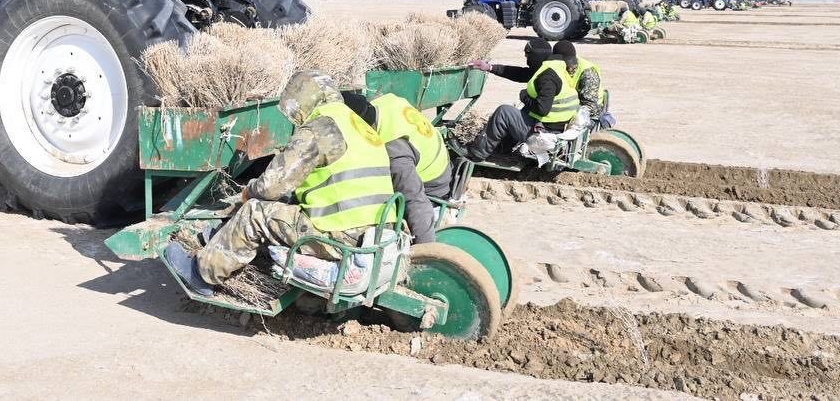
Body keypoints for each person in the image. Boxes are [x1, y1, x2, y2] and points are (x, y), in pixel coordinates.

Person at [165, 71, 394, 295]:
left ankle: (202, 274)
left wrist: (248, 193)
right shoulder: (358, 125)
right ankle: (225, 239)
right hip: (376, 232)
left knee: (254, 213)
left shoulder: (320, 128)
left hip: (340, 237)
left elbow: (271, 186)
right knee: (285, 201)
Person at [342, 90, 450, 244]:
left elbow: (416, 202)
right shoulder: (386, 101)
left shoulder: (395, 154)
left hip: (433, 185)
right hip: (438, 158)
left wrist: (426, 251)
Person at [462, 38, 580, 161]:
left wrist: (524, 97)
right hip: (555, 126)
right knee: (522, 111)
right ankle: (503, 148)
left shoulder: (547, 78)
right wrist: (490, 67)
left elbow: (542, 109)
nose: (526, 58)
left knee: (504, 113)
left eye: (527, 55)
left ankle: (476, 153)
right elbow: (519, 73)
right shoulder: (554, 68)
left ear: (534, 56)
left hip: (546, 133)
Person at [551, 40, 608, 123]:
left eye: (570, 63)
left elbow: (590, 106)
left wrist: (566, 111)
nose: (570, 67)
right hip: (568, 106)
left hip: (589, 111)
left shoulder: (588, 73)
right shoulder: (555, 66)